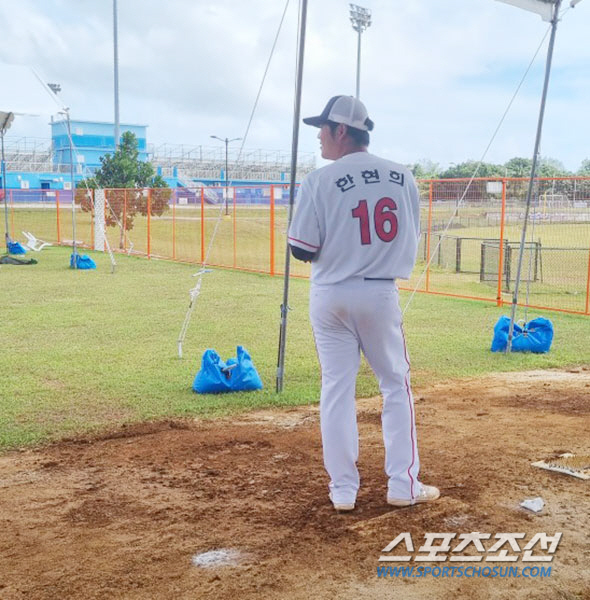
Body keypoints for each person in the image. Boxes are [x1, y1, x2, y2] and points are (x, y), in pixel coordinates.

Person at [288, 95, 439, 512]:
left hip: (329, 293)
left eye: (323, 128)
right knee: (395, 384)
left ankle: (343, 490)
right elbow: (409, 233)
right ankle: (402, 485)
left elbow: (302, 249)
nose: (318, 136)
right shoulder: (402, 175)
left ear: (341, 131)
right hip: (378, 291)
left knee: (337, 387)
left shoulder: (318, 180)